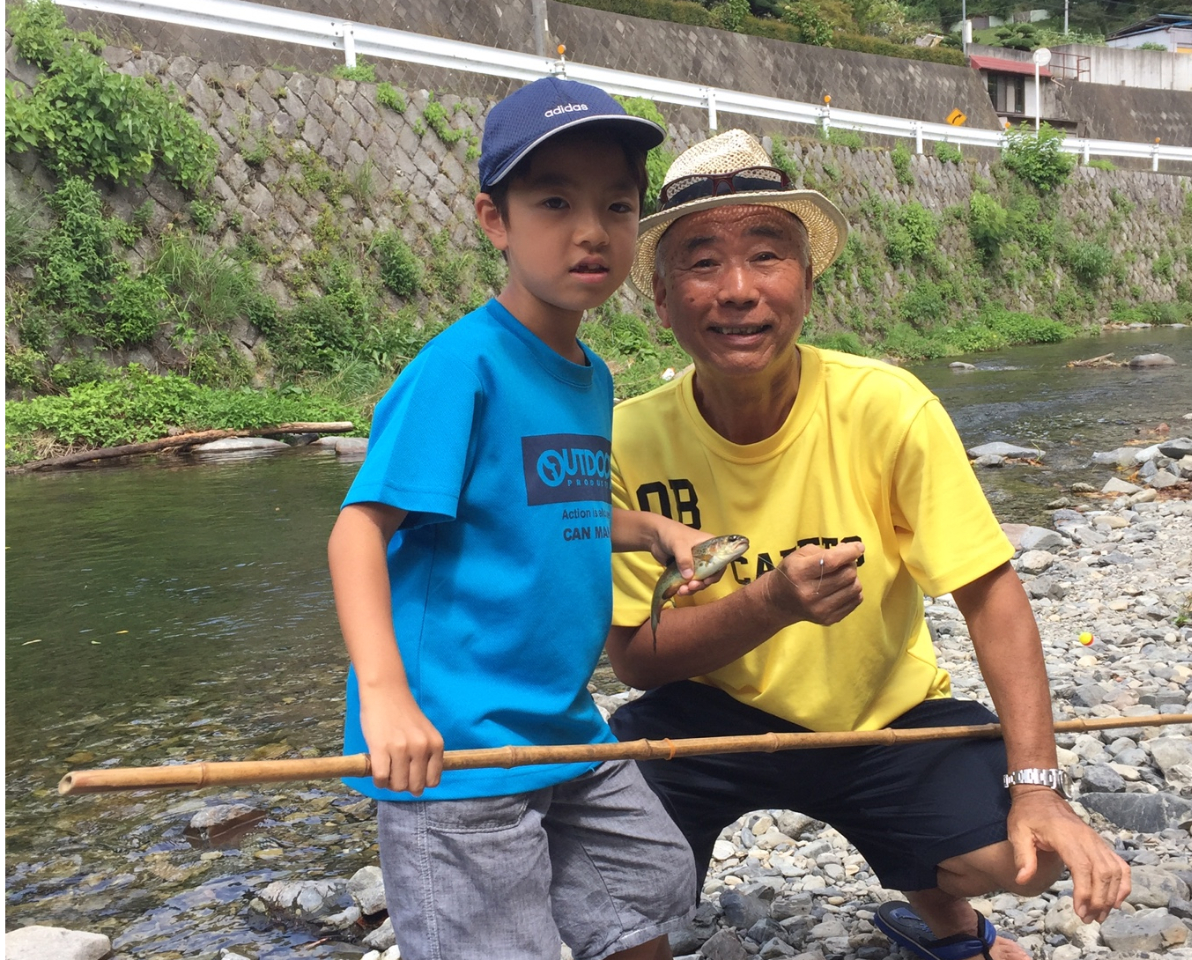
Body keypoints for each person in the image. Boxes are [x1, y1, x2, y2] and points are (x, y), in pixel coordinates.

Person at [606, 129, 1131, 960]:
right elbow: (635, 659)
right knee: (600, 839)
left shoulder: (889, 407)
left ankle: (947, 918)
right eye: (703, 264)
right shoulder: (624, 441)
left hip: (882, 715)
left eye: (767, 257)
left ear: (807, 284)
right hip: (703, 719)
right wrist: (771, 603)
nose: (738, 290)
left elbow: (991, 598)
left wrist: (1039, 788)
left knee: (1029, 859)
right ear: (664, 302)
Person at [328, 77, 717, 960]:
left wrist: (655, 531)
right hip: (457, 740)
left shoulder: (589, 374)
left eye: (617, 206)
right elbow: (357, 531)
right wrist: (386, 699)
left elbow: (557, 505)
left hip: (559, 722)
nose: (592, 231)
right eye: (554, 203)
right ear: (493, 220)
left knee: (650, 881)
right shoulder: (460, 367)